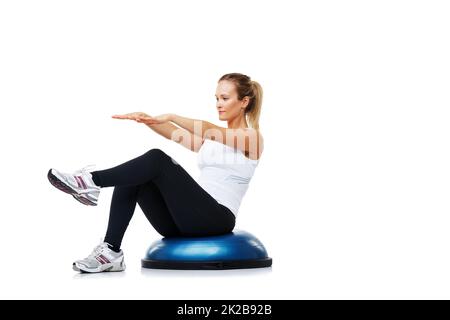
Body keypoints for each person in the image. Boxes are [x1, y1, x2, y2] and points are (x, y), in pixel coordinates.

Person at [48, 73, 264, 273]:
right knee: (134, 174)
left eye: (224, 98)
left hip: (216, 219)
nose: (218, 104)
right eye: (216, 98)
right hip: (185, 220)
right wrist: (149, 120)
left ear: (244, 102)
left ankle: (89, 182)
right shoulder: (212, 142)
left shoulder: (252, 138)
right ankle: (111, 251)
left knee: (157, 159)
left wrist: (171, 115)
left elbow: (207, 129)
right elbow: (175, 135)